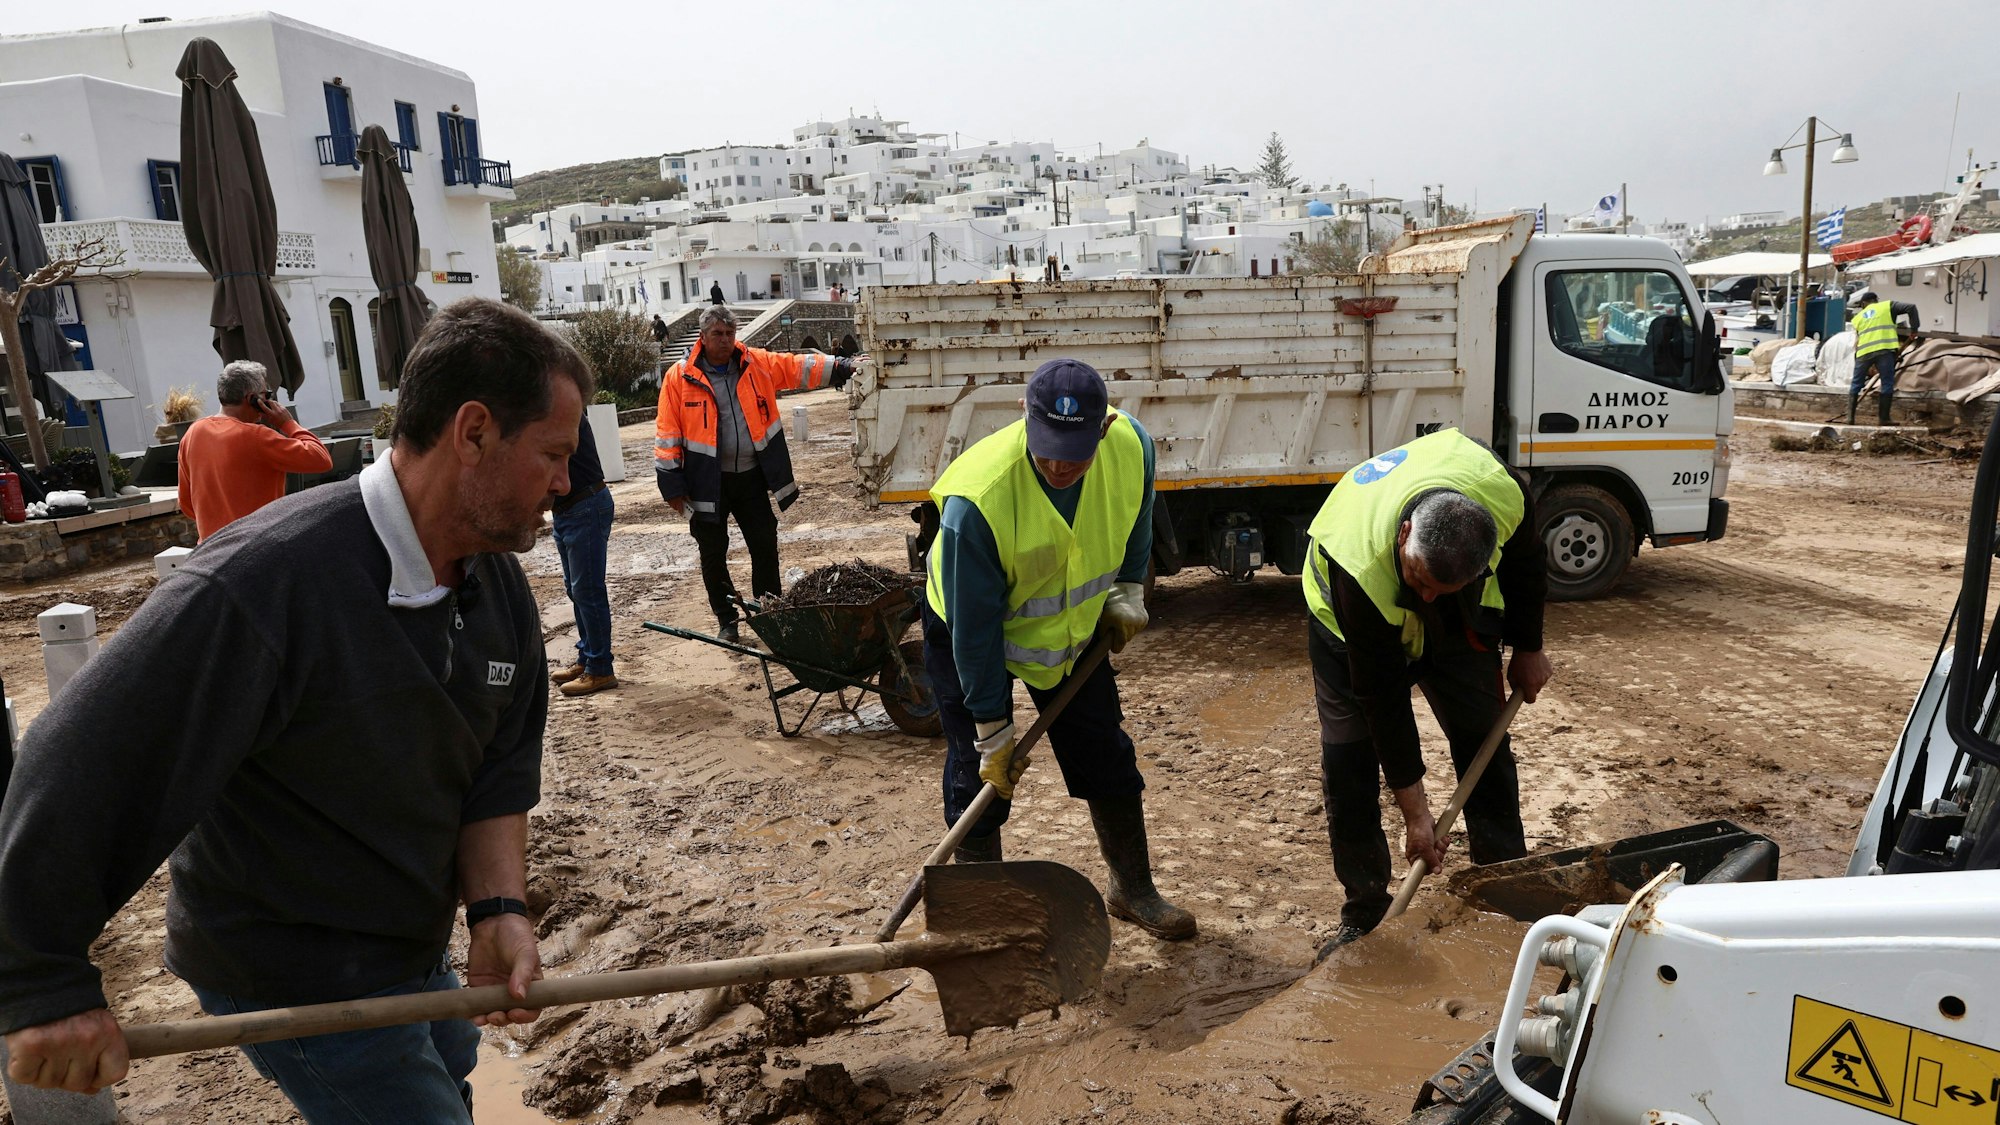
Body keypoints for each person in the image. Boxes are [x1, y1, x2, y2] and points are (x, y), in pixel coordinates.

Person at [0, 297, 590, 1119]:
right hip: (291, 964)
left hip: (402, 942)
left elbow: (497, 766)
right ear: (475, 433)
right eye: (554, 454)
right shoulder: (265, 584)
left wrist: (497, 910)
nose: (568, 482)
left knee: (446, 1067)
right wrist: (40, 980)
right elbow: (74, 758)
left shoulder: (495, 585)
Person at [923, 358, 1195, 940]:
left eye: (1077, 451)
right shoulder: (979, 502)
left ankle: (1133, 889)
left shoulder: (1131, 447)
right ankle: (982, 918)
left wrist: (1126, 588)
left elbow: (1140, 510)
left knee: (1105, 753)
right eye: (1048, 449)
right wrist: (995, 736)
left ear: (1103, 429)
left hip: (1071, 633)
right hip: (969, 633)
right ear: (1024, 416)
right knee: (977, 772)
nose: (1060, 465)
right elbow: (975, 636)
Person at [1302, 427, 1551, 958]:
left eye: (1443, 587)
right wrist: (1417, 815)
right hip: (1348, 634)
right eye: (1420, 581)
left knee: (1483, 739)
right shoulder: (1360, 563)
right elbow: (1383, 699)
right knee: (1349, 762)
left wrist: (1528, 646)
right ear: (1405, 533)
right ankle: (1365, 910)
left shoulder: (1505, 496)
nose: (1428, 595)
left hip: (1457, 627)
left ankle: (1503, 884)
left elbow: (1529, 564)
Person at [654, 306, 858, 643]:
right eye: (717, 334)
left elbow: (797, 367)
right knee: (713, 553)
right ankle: (727, 620)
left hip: (750, 478)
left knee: (765, 543)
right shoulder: (679, 377)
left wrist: (843, 367)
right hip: (707, 482)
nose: (724, 340)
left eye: (729, 334)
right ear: (703, 338)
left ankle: (768, 612)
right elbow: (666, 436)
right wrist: (672, 487)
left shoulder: (754, 363)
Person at [176, 360, 334, 542]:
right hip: (256, 546)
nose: (269, 400)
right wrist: (287, 423)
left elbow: (187, 504)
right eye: (266, 395)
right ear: (251, 399)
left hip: (211, 547)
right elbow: (321, 459)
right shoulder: (257, 437)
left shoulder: (193, 433)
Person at [550, 414, 617, 697]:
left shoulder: (560, 407)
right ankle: (587, 657)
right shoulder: (547, 402)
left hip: (584, 506)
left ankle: (600, 669)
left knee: (587, 590)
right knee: (576, 590)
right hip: (568, 510)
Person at [1847, 287, 1922, 426]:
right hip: (1884, 351)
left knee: (1856, 383)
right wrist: (1914, 329)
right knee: (1887, 383)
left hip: (1863, 353)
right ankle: (1884, 419)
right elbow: (1911, 307)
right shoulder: (1887, 306)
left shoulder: (1857, 318)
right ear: (1876, 301)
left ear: (1863, 304)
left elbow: (1858, 339)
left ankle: (1850, 418)